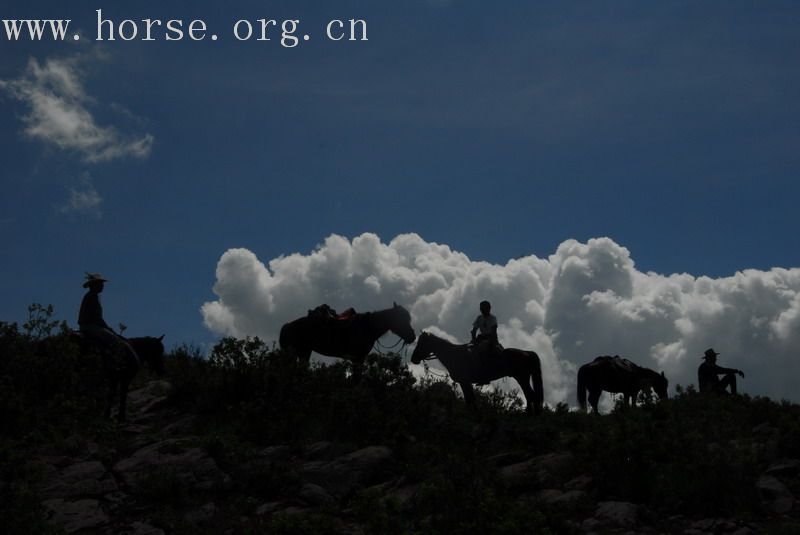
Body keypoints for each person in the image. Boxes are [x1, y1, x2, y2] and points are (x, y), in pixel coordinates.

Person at [78, 273, 138, 371]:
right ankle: (114, 364)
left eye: (102, 284)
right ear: (94, 285)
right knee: (115, 341)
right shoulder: (92, 297)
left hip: (86, 325)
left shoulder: (90, 296)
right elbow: (97, 318)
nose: (102, 286)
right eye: (100, 284)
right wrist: (106, 327)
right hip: (91, 326)